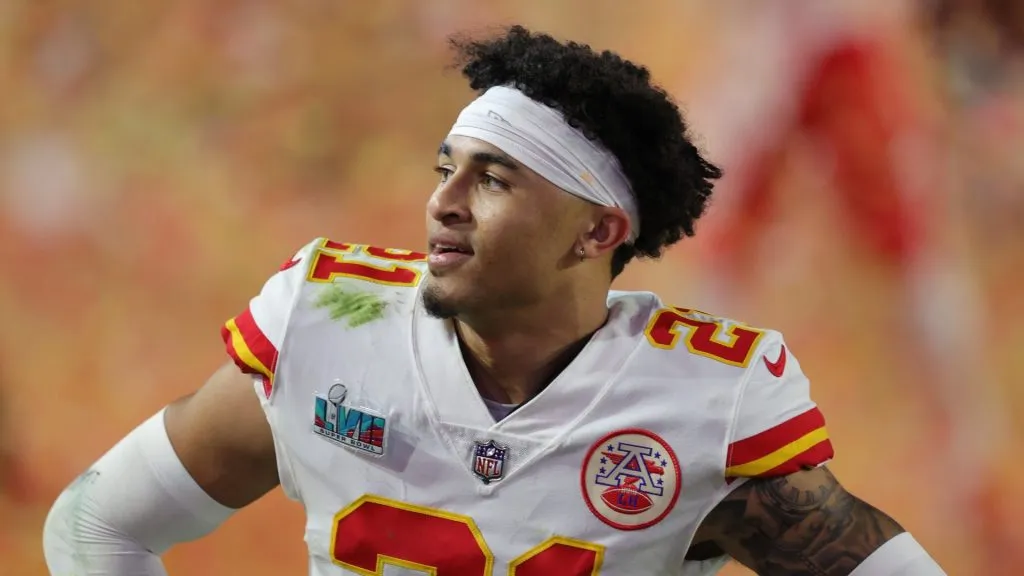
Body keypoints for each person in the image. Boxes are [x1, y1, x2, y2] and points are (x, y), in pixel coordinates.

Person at [42, 26, 945, 575]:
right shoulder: (328, 325)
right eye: (446, 169)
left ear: (596, 232)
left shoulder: (701, 404)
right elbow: (95, 525)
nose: (443, 201)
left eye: (494, 179)